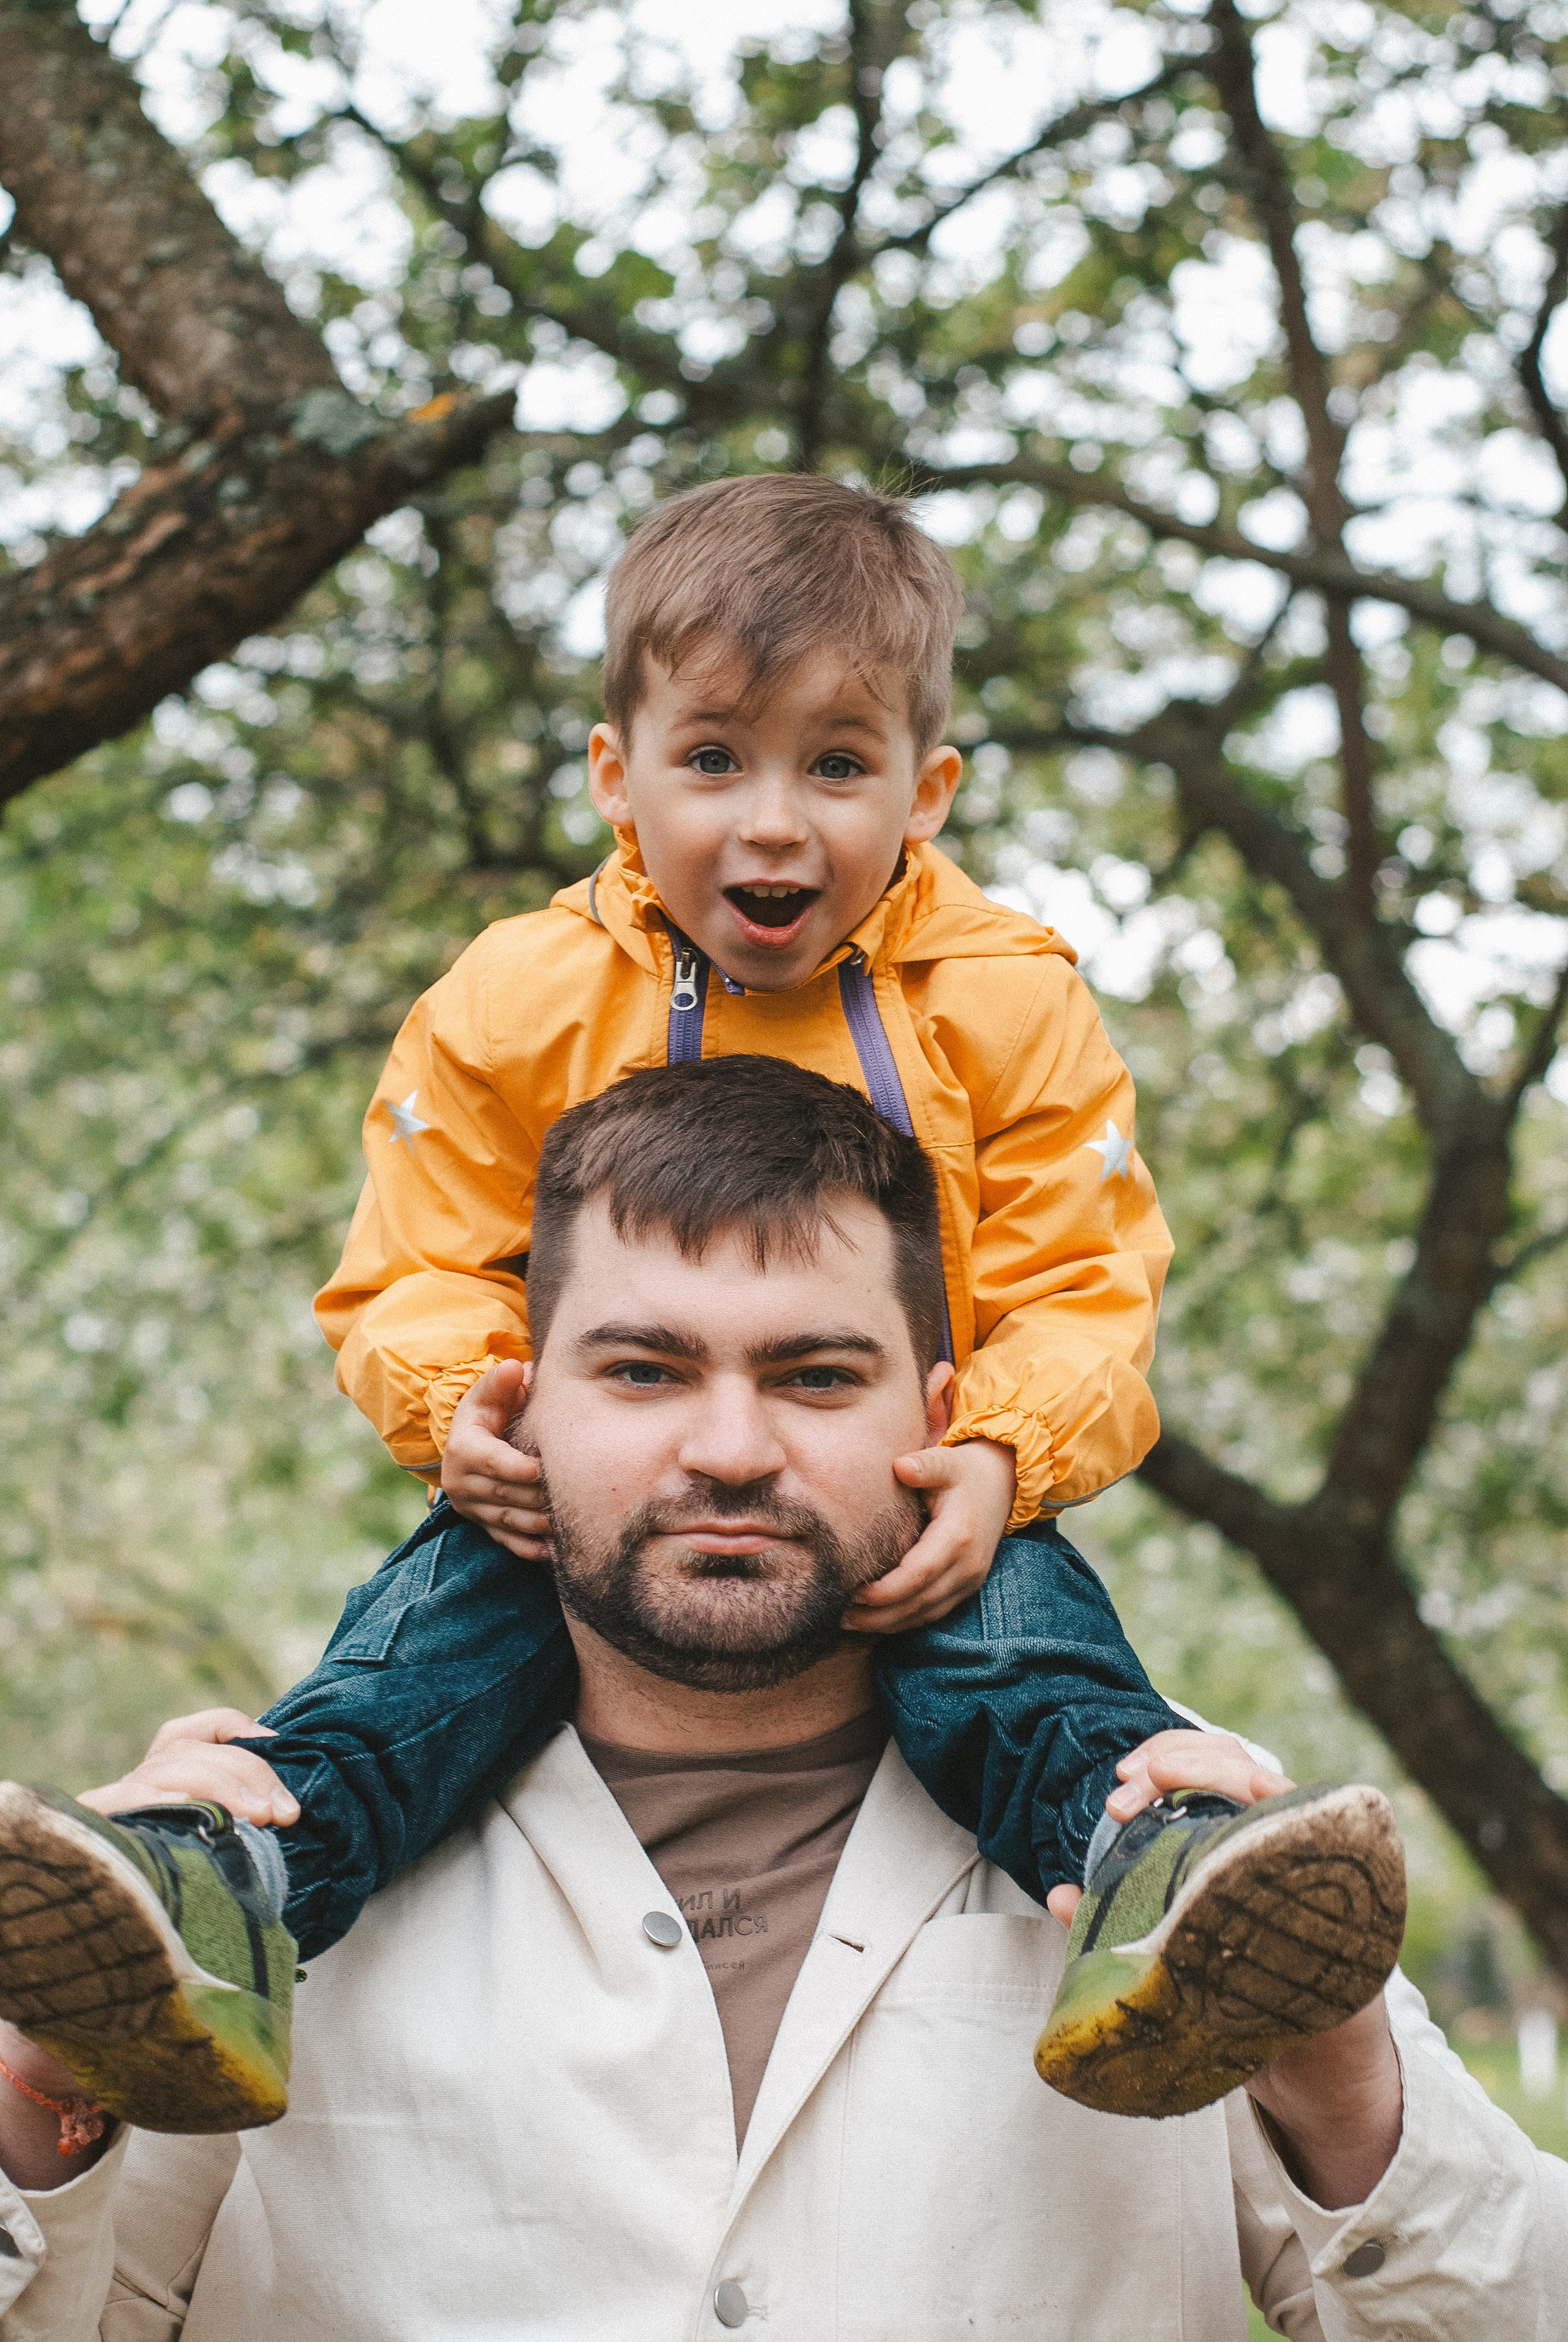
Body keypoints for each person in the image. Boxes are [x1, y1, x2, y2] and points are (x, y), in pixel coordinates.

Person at [0, 1059, 1555, 2340]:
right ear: (518, 1405)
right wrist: (35, 2078)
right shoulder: (267, 1856)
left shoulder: (1174, 1840)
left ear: (942, 1417)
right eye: (643, 1371)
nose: (731, 1450)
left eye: (814, 1376)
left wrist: (1340, 2082)